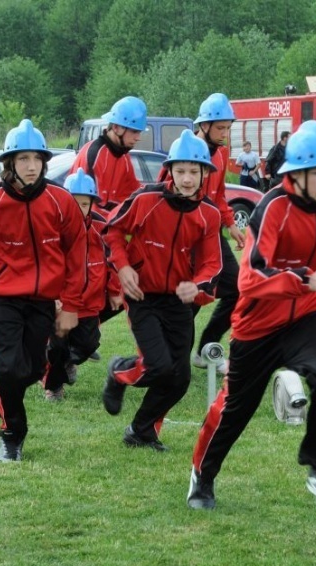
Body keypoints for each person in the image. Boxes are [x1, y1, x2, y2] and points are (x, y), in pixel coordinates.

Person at [188, 120, 316, 513]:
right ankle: (203, 474)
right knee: (236, 410)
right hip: (258, 324)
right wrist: (304, 279)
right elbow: (249, 279)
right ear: (295, 175)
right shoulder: (272, 207)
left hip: (309, 316)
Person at [0, 119, 86, 462]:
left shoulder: (61, 200)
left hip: (42, 300)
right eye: (23, 159)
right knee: (8, 368)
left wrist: (70, 305)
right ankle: (12, 434)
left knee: (34, 369)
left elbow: (78, 253)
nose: (31, 166)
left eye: (36, 158)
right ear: (9, 163)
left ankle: (1, 395)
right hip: (0, 298)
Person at [101, 129, 223, 451]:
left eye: (193, 172)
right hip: (142, 296)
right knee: (158, 366)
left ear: (204, 174)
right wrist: (123, 267)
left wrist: (196, 286)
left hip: (178, 302)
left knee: (179, 379)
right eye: (180, 171)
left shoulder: (208, 214)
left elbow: (213, 264)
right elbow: (112, 231)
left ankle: (141, 431)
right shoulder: (146, 200)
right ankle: (119, 372)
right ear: (169, 171)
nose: (186, 179)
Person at [68, 96, 146, 350]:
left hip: (105, 232)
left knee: (124, 290)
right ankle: (71, 342)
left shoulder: (122, 156)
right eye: (135, 131)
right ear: (118, 127)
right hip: (86, 234)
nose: (138, 137)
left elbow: (131, 196)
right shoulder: (94, 153)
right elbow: (88, 205)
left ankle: (82, 337)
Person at [184, 93, 246, 370]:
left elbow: (219, 196)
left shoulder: (220, 153)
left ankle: (205, 349)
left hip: (213, 236)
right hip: (185, 239)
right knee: (189, 298)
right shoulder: (185, 150)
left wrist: (231, 224)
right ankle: (174, 358)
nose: (225, 134)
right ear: (205, 125)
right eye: (221, 128)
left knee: (237, 288)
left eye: (228, 128)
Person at [42, 168, 111, 401]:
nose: (78, 209)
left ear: (92, 204)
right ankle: (53, 387)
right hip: (60, 303)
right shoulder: (51, 228)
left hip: (90, 303)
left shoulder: (102, 228)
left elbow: (116, 259)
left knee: (87, 345)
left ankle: (70, 363)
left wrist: (116, 291)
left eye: (84, 203)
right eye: (72, 203)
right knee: (56, 348)